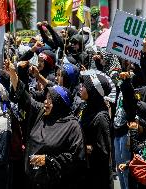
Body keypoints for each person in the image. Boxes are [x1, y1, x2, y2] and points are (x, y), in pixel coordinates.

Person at [6, 60, 86, 189]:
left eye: (50, 99)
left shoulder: (72, 126)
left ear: (60, 103)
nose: (46, 102)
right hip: (32, 180)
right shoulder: (41, 113)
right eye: (46, 97)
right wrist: (13, 73)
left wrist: (48, 161)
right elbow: (24, 97)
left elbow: (76, 158)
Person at [80, 70, 114, 189]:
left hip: (98, 178)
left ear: (92, 91)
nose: (81, 88)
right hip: (87, 174)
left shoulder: (100, 118)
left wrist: (87, 148)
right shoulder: (87, 110)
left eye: (84, 86)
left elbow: (104, 152)